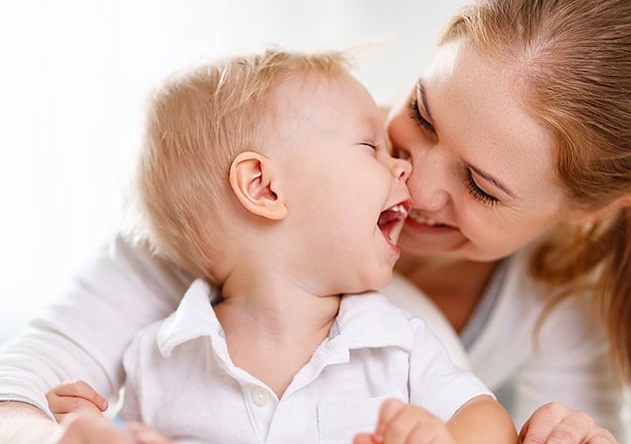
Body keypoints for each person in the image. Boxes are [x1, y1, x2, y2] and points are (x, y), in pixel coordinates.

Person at [1, 0, 631, 443]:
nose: (413, 178)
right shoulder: (248, 187)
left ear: (587, 211)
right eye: (423, 114)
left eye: (481, 187)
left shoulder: (554, 302)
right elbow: (21, 392)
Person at [42, 49, 517, 444]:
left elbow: (490, 422)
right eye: (370, 148)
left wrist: (445, 439)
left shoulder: (398, 342)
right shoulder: (160, 358)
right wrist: (93, 427)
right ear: (264, 188)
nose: (404, 168)